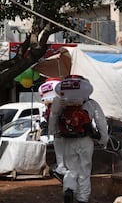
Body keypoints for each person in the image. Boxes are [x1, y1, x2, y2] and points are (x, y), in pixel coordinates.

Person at [49, 75, 109, 203]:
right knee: (85, 171)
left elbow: (54, 118)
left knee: (71, 170)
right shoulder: (91, 104)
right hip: (85, 140)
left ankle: (69, 190)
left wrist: (54, 133)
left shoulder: (61, 104)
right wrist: (103, 139)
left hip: (68, 141)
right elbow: (101, 122)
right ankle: (82, 199)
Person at [39, 77, 67, 182]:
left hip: (55, 130)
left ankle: (61, 169)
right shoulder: (58, 87)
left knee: (60, 151)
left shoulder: (43, 88)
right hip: (62, 130)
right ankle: (62, 171)